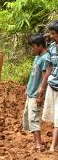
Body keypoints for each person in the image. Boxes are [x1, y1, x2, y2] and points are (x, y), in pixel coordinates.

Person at [23, 34, 48, 151]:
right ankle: (35, 142)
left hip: (36, 94)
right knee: (29, 117)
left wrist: (40, 94)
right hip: (31, 92)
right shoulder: (37, 57)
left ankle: (38, 144)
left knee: (34, 117)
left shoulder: (45, 58)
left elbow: (44, 78)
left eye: (33, 46)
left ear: (40, 45)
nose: (32, 49)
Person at [38, 21, 58, 152]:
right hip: (53, 84)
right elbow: (49, 68)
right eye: (50, 33)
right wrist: (42, 88)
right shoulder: (51, 48)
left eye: (53, 33)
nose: (51, 36)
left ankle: (52, 146)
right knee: (53, 117)